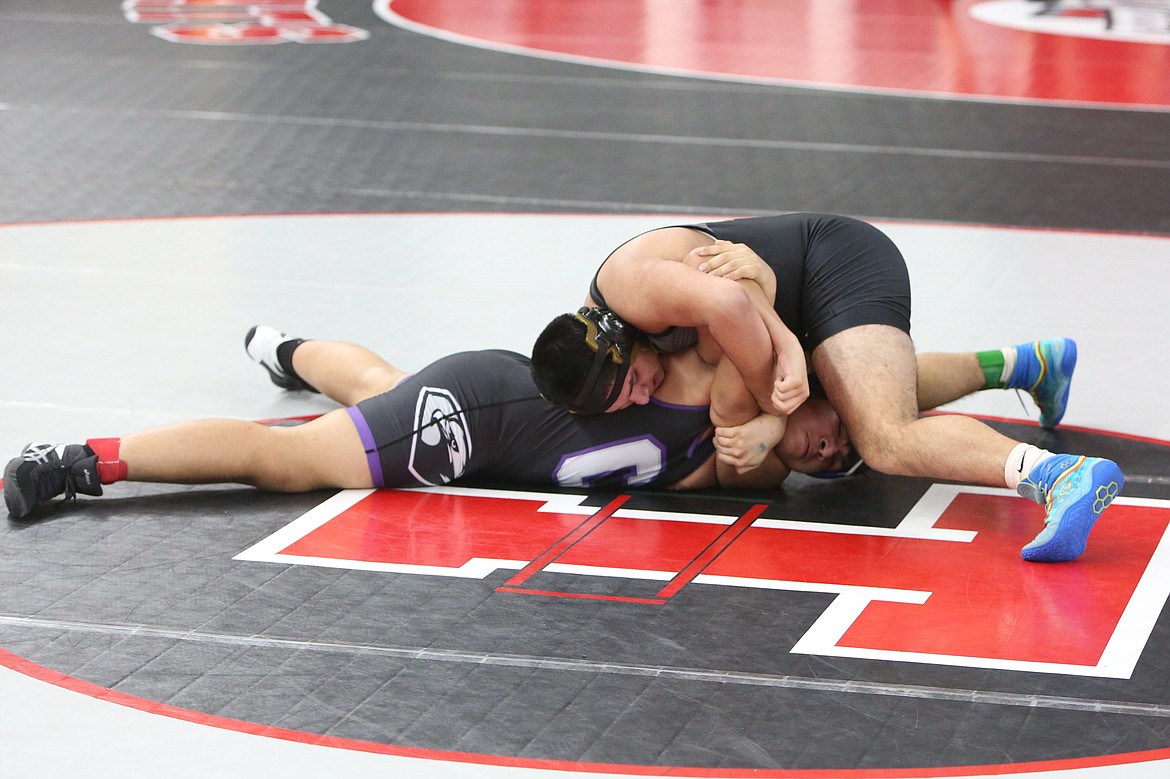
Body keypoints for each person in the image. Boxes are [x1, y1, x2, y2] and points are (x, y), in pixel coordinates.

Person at [530, 213, 1125, 563]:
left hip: (831, 264)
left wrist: (778, 389)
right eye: (626, 401)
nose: (641, 394)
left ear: (616, 339)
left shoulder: (631, 289)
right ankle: (1028, 366)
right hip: (797, 291)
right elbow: (739, 299)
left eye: (633, 381)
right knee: (857, 394)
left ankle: (1056, 476)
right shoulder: (609, 347)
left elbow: (731, 303)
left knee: (883, 438)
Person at [4, 323, 858, 521]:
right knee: (295, 462)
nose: (832, 446)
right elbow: (721, 290)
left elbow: (740, 470)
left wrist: (780, 441)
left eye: (839, 459)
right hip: (482, 416)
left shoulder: (751, 453)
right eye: (835, 427)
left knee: (379, 383)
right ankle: (80, 461)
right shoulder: (717, 354)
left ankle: (287, 349)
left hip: (501, 416)